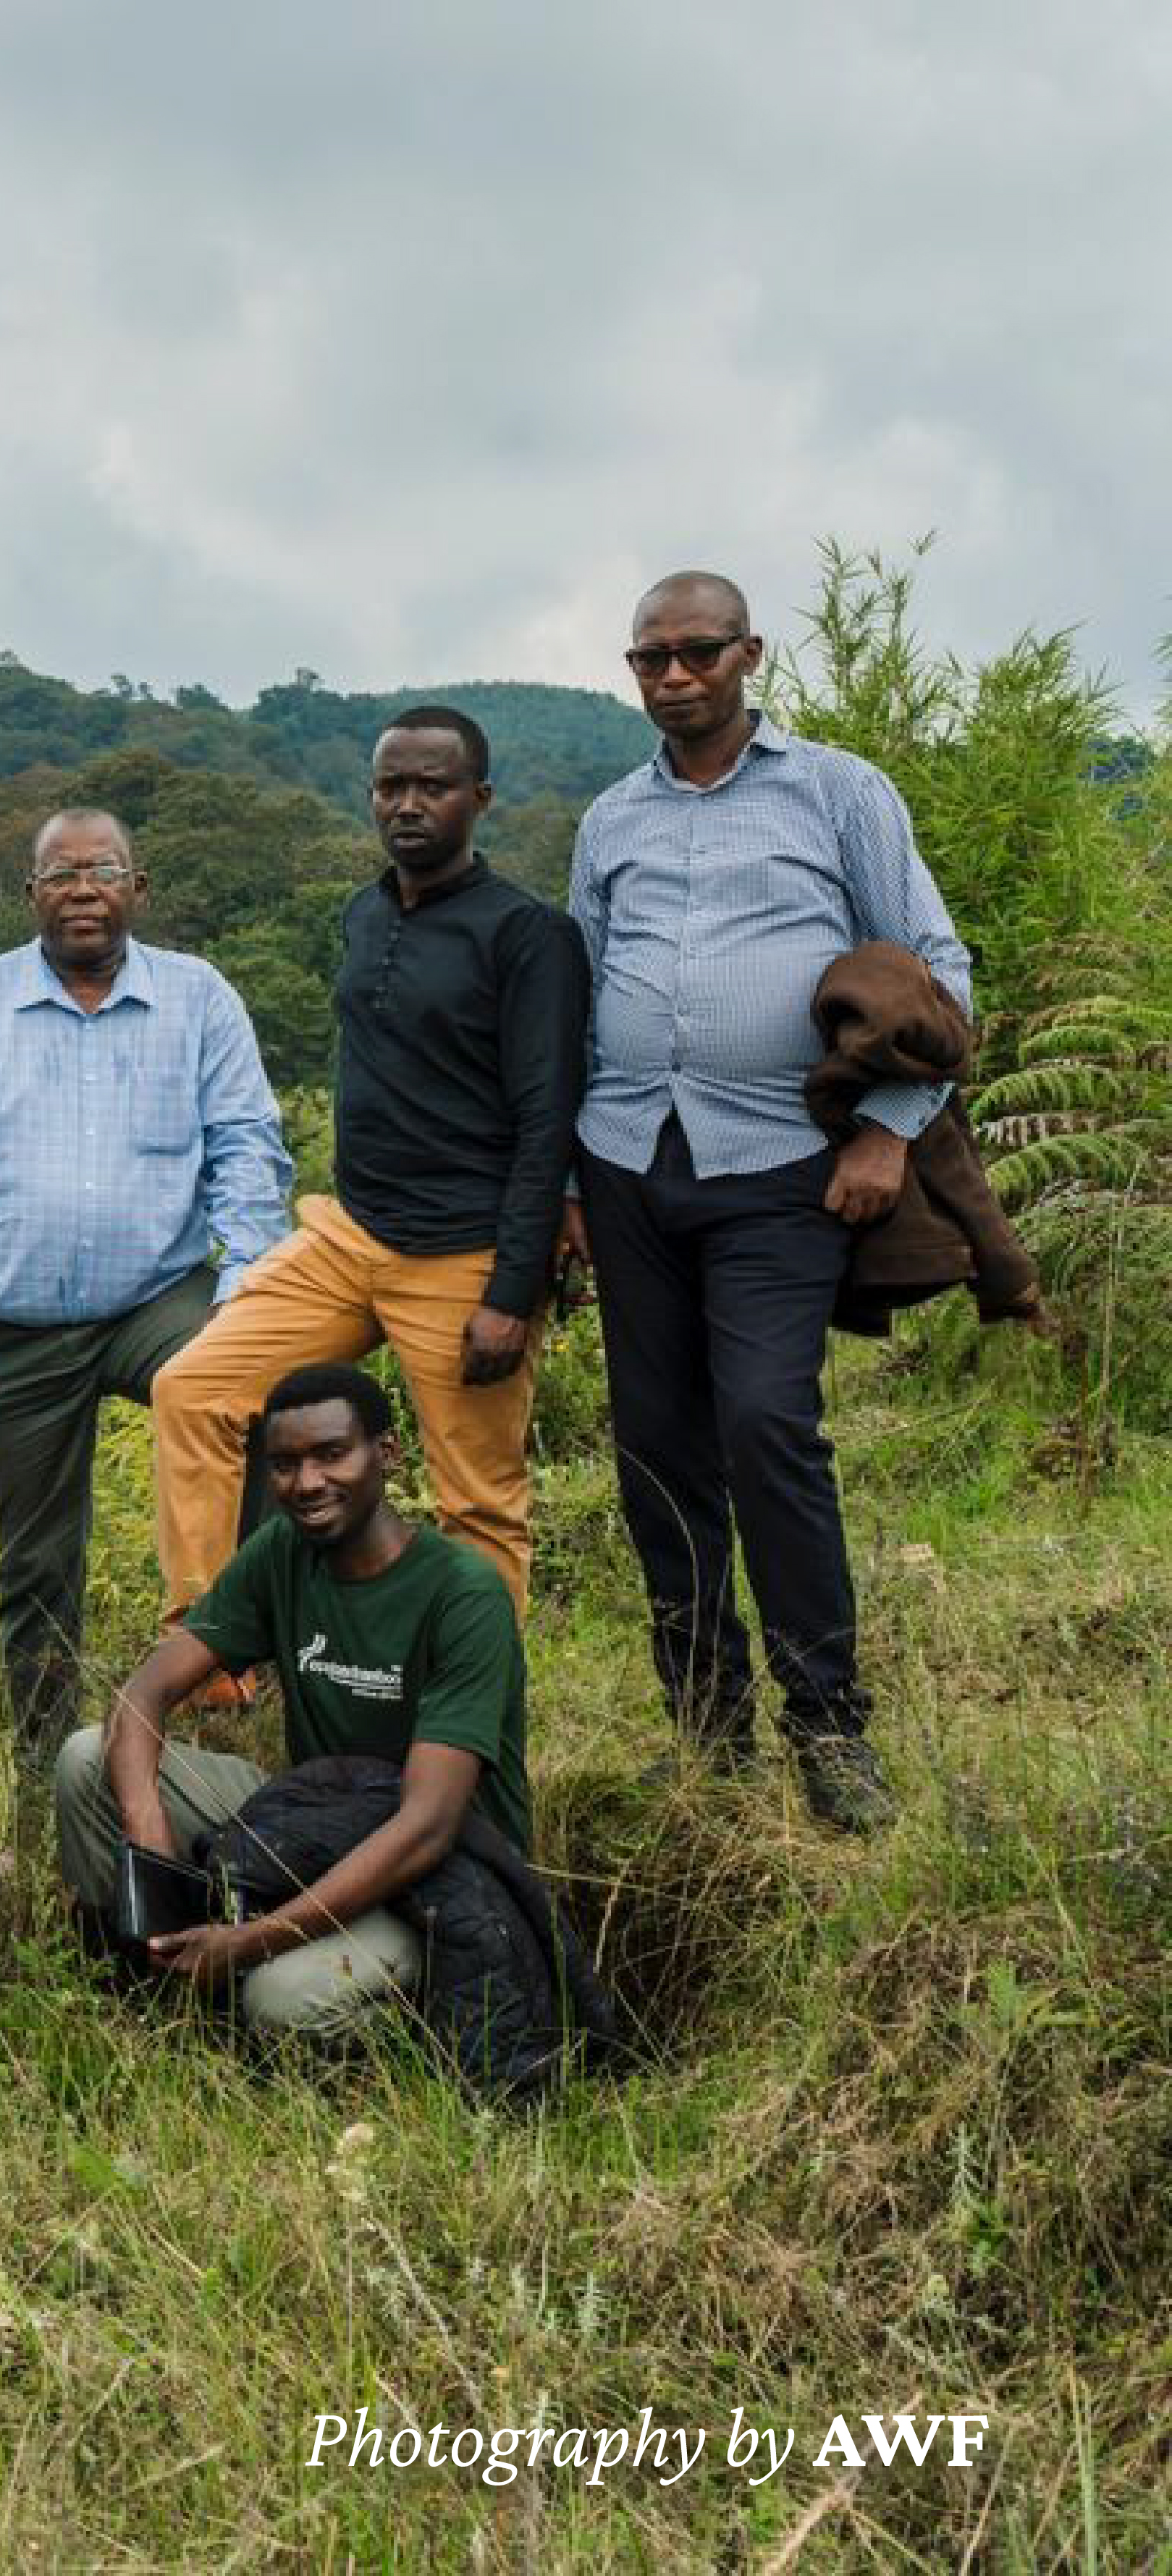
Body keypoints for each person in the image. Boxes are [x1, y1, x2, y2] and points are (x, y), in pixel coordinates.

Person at [565, 572, 971, 1832]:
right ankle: (706, 1733)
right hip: (628, 1159)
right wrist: (570, 1184)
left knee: (764, 1425)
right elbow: (582, 991)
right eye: (650, 658)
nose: (673, 675)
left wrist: (889, 1131)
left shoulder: (835, 791)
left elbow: (936, 966)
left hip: (779, 1167)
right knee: (655, 1449)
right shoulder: (609, 819)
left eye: (697, 651)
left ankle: (828, 1724)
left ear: (748, 653)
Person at [54, 1365, 597, 2095]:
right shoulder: (283, 1551)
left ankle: (404, 2032)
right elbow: (145, 1692)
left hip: (438, 1873)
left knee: (280, 1998)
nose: (307, 1483)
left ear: (386, 1454)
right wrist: (147, 1832)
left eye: (331, 1455)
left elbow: (428, 1827)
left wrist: (252, 1941)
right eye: (284, 1464)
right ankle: (150, 1980)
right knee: (88, 1758)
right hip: (313, 1824)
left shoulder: (461, 1593)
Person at [148, 710, 586, 1615]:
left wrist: (510, 1294)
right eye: (391, 787)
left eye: (432, 786)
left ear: (478, 799)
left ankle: (475, 1697)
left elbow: (547, 1120)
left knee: (476, 1502)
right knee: (193, 1391)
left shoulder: (525, 933)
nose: (407, 805)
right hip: (347, 1235)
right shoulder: (364, 911)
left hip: (462, 1254)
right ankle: (209, 1654)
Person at [0, 809, 292, 1777]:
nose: (81, 889)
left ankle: (235, 1681)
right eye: (60, 874)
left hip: (158, 1298)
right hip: (14, 1323)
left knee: (269, 1399)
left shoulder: (196, 998)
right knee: (36, 1563)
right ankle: (45, 1781)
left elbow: (246, 1147)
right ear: (30, 894)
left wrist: (244, 1293)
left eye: (102, 871)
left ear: (136, 889)